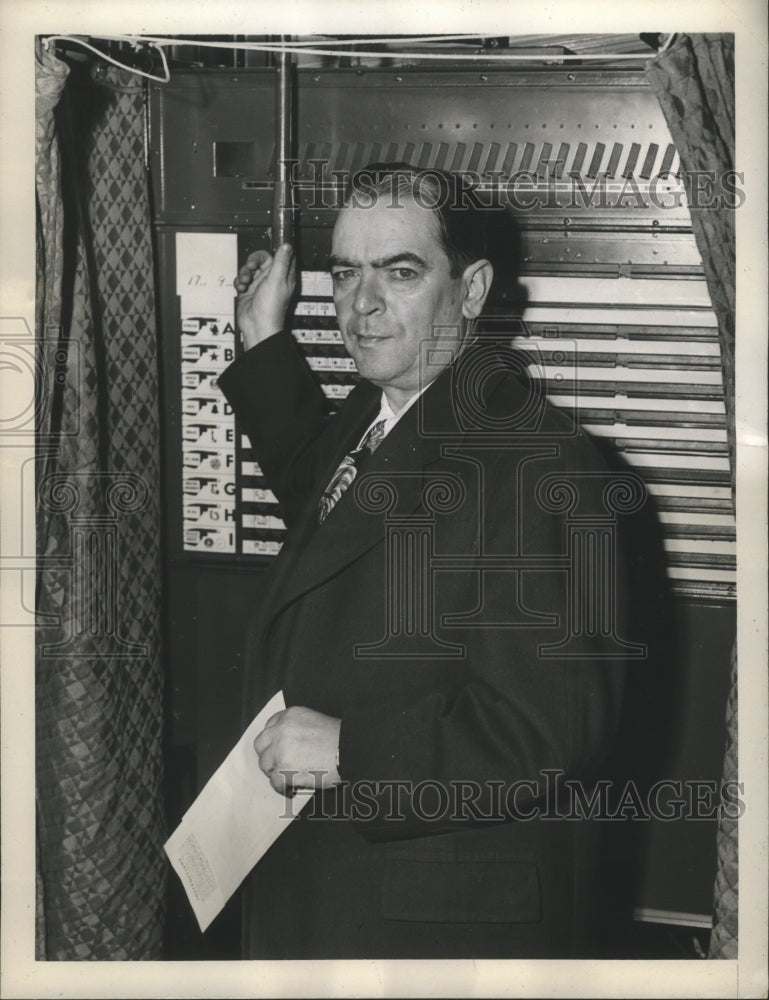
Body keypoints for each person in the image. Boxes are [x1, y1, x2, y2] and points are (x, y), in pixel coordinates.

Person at [218, 164, 635, 959]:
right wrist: (263, 340)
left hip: (430, 919)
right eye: (344, 273)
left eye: (399, 273)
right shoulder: (381, 413)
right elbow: (329, 508)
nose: (360, 305)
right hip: (344, 881)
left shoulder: (541, 465)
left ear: (471, 288)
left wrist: (349, 750)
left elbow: (551, 729)